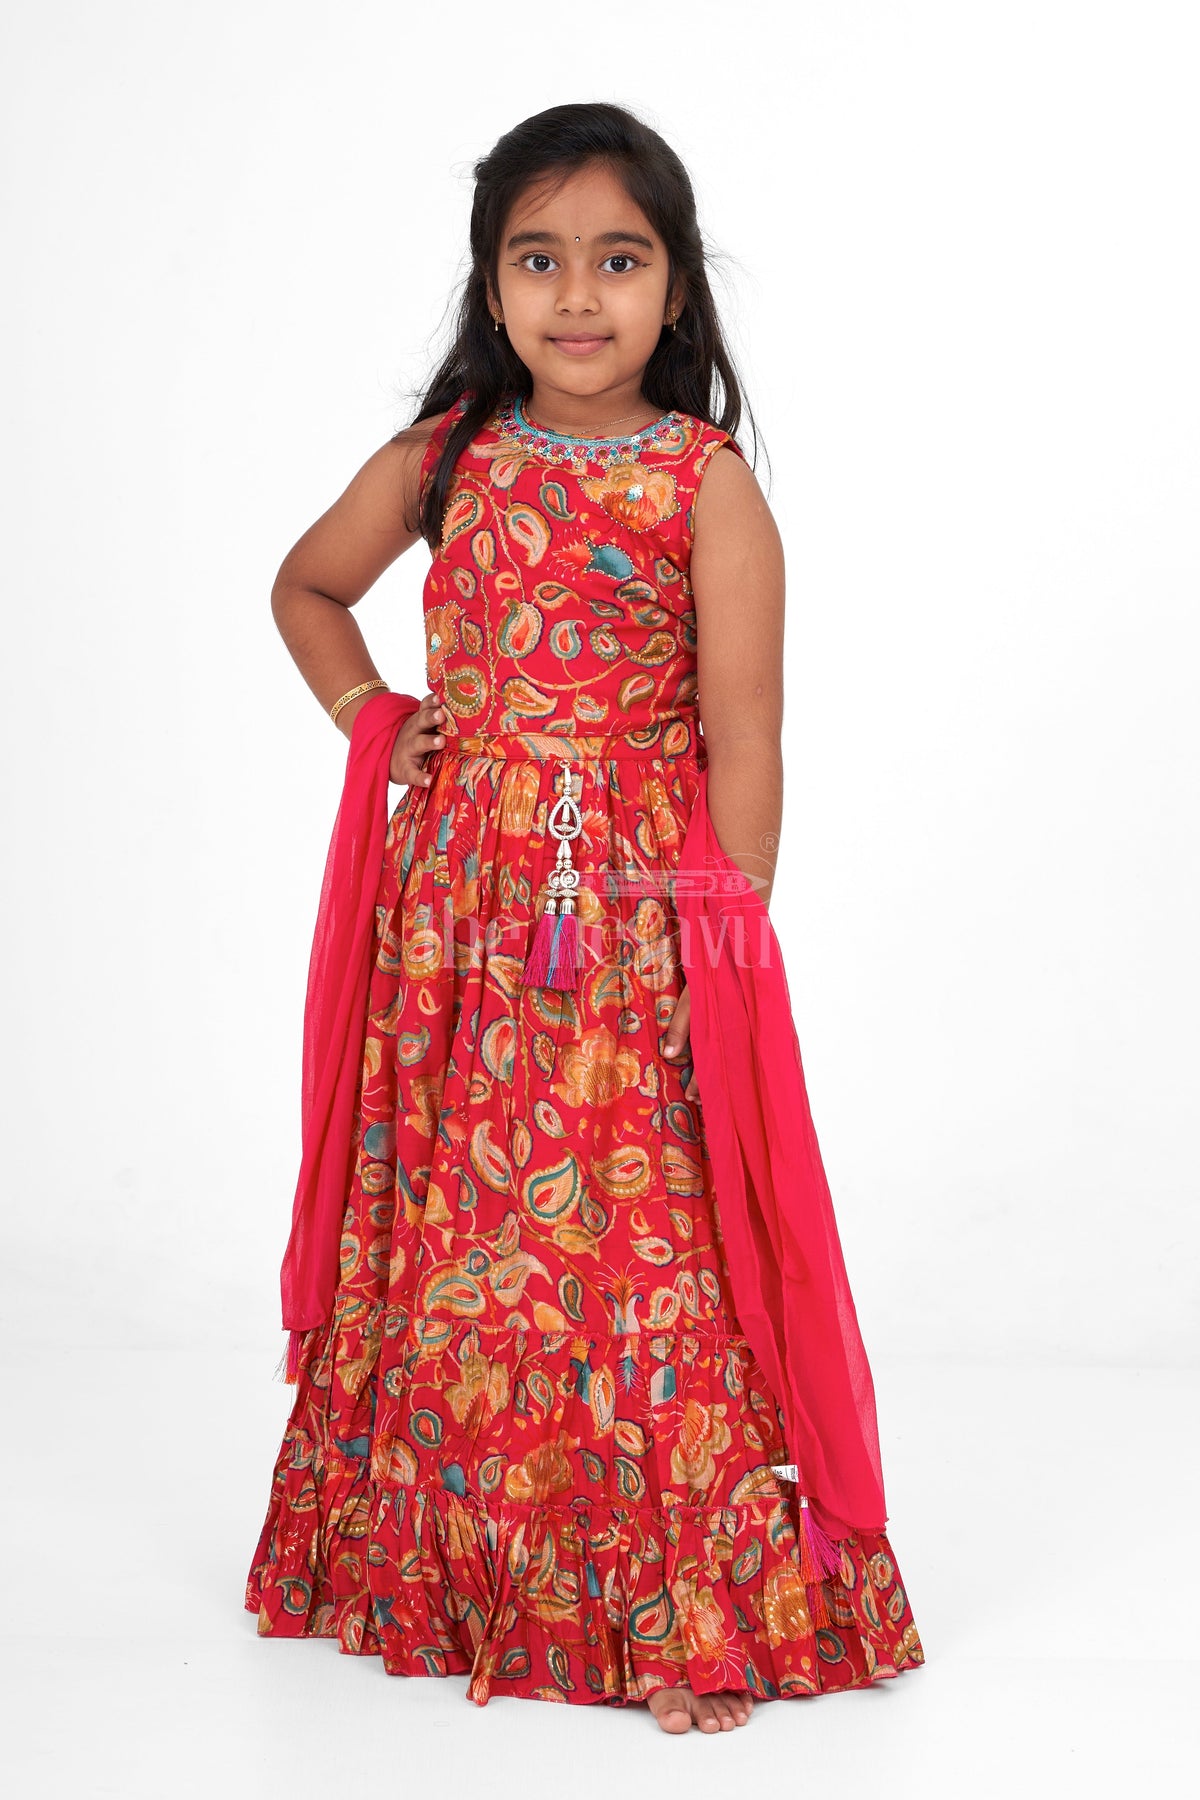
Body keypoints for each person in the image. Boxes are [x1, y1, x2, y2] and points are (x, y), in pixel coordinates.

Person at [243, 100, 925, 1733]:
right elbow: (305, 586)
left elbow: (746, 742)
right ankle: (450, 1570)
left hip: (628, 919)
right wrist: (371, 717)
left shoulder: (705, 486)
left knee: (637, 1248)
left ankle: (673, 1597)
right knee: (462, 1240)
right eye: (537, 258)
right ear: (489, 286)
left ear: (676, 289)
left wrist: (713, 944)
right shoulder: (445, 462)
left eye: (618, 260)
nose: (576, 295)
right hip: (452, 927)